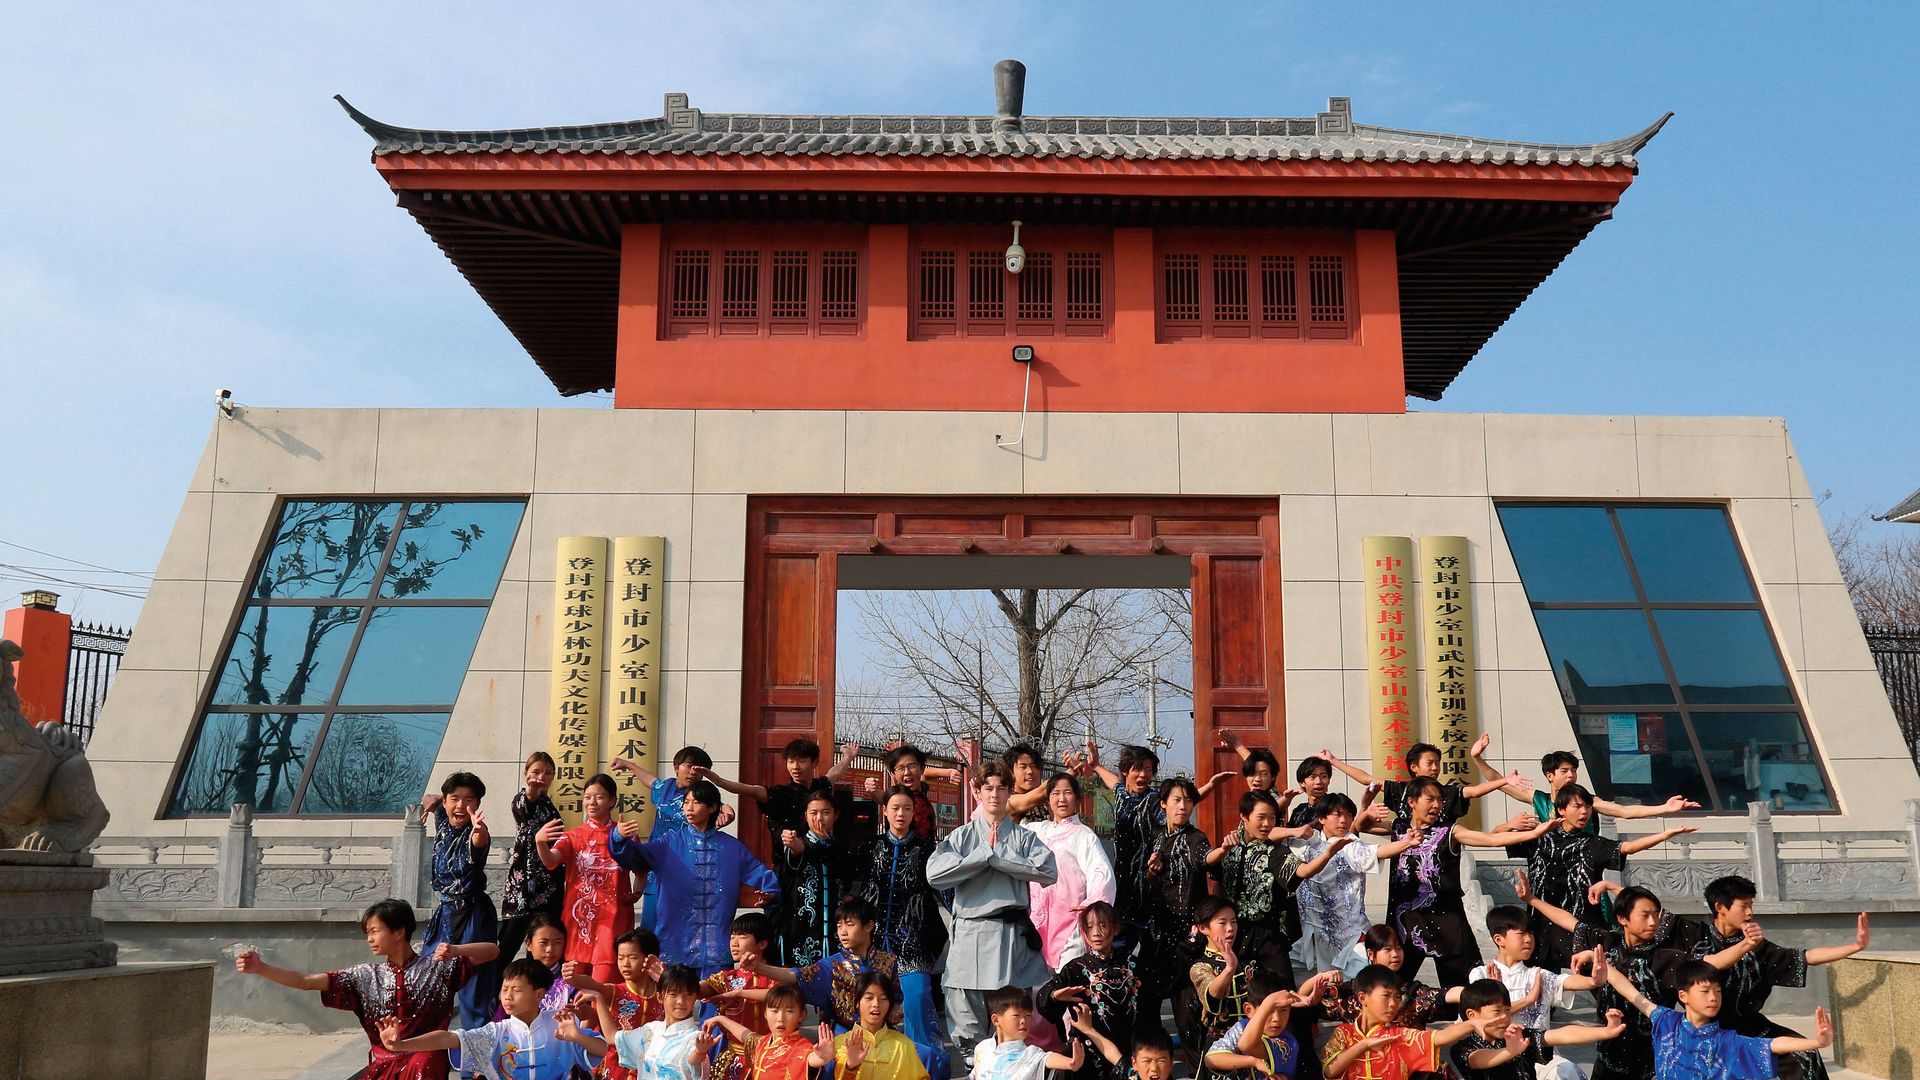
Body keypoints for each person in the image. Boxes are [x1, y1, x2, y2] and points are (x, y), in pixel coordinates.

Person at [234, 898, 499, 1080]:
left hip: (425, 1061)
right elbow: (306, 981)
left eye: (375, 931)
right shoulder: (364, 976)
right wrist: (261, 968)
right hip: (383, 1065)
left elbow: (492, 951)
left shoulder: (437, 969)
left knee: (424, 1061)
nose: (370, 939)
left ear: (398, 932)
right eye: (367, 933)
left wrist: (456, 950)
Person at [1521, 882, 1758, 1080]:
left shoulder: (1666, 958)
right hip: (1608, 1053)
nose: (1653, 922)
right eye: (1645, 916)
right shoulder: (1606, 943)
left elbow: (1712, 962)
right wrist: (1532, 899)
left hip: (1652, 1058)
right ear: (1622, 918)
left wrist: (1746, 944)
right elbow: (1569, 922)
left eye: (1656, 915)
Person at [927, 760, 1059, 1066]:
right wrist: (981, 855)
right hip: (969, 933)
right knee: (967, 1021)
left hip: (1008, 937)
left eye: (1001, 788)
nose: (994, 794)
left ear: (1010, 792)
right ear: (977, 792)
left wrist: (999, 856)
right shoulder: (962, 837)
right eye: (988, 788)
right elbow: (935, 874)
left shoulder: (1023, 838)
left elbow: (1048, 871)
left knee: (1011, 1021)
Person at [1683, 875, 1869, 1080]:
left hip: (1749, 1027)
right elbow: (1707, 964)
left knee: (1805, 1055)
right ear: (1720, 907)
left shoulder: (1759, 947)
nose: (1750, 912)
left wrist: (1855, 946)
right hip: (1704, 1028)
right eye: (1743, 906)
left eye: (1751, 905)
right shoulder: (1694, 938)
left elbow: (1805, 957)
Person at [1378, 777, 1555, 986]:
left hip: (1447, 920)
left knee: (1467, 987)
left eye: (1440, 800)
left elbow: (1491, 840)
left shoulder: (1450, 831)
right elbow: (1359, 827)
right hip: (1406, 920)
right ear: (1412, 802)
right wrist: (1365, 807)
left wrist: (1534, 833)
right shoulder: (1398, 828)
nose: (1437, 805)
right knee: (1390, 985)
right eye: (1430, 799)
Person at [697, 738, 857, 962]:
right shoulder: (781, 794)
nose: (795, 767)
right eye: (791, 761)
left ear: (814, 763)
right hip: (790, 872)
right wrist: (718, 780)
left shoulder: (821, 788)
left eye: (802, 760)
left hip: (823, 867)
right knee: (786, 929)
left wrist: (848, 757)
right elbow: (751, 790)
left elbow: (834, 773)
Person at [1510, 784, 1696, 971]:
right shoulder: (1539, 838)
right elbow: (1495, 840)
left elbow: (1628, 847)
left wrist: (1665, 834)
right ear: (1561, 810)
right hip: (1541, 927)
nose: (1584, 812)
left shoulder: (1593, 844)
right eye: (1577, 806)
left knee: (1596, 978)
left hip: (1582, 929)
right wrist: (1509, 826)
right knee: (1539, 981)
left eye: (1588, 807)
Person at [607, 778, 782, 977]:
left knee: (715, 995)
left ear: (713, 807)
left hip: (715, 947)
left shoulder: (731, 847)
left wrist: (770, 893)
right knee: (674, 995)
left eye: (696, 802)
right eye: (686, 802)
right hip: (674, 944)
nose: (688, 808)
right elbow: (636, 858)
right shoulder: (669, 843)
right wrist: (618, 838)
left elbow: (759, 873)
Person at [1088, 740, 1233, 956]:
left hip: (1148, 881)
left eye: (1148, 770)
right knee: (1117, 947)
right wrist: (1096, 766)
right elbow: (1113, 782)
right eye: (1138, 769)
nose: (1144, 775)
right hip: (1122, 883)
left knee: (1151, 948)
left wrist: (1209, 787)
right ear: (1126, 771)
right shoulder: (1121, 795)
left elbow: (1179, 802)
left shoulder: (1154, 800)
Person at [1601, 958, 1833, 1080]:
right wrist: (1601, 963)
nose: (1713, 998)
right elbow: (1631, 992)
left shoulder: (1727, 1041)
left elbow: (1773, 1044)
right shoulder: (1666, 1022)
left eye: (1718, 992)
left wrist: (1816, 1042)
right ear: (1683, 996)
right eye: (1705, 991)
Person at [375, 957, 599, 1080]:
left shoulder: (560, 1024)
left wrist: (577, 1037)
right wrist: (402, 1044)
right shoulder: (497, 1032)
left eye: (516, 990)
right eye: (505, 989)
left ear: (539, 994)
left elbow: (602, 1048)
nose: (507, 996)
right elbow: (449, 1038)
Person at [854, 786, 949, 1063]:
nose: (901, 814)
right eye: (895, 808)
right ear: (884, 811)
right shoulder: (869, 847)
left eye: (907, 808)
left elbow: (946, 888)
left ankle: (925, 1064)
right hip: (872, 943)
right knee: (868, 1003)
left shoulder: (927, 849)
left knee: (918, 997)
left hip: (913, 941)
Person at [613, 746, 737, 936]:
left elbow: (724, 808)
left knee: (680, 929)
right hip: (657, 868)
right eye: (689, 766)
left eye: (699, 769)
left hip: (686, 869)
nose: (693, 772)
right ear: (676, 767)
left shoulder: (701, 797)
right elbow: (650, 780)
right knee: (650, 928)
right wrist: (629, 765)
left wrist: (728, 813)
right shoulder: (665, 788)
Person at [1293, 793, 1418, 980]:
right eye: (1338, 814)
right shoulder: (1306, 843)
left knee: (1364, 983)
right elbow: (1268, 834)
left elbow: (1379, 851)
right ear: (1322, 818)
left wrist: (1406, 843)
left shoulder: (1351, 845)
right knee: (1289, 978)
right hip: (1313, 941)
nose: (1344, 820)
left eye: (1349, 815)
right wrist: (1295, 830)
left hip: (1350, 939)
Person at [1481, 905, 1610, 1080]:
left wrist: (1594, 981)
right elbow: (1484, 1020)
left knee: (1565, 1071)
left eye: (1531, 934)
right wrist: (1528, 999)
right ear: (1499, 939)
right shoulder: (1481, 975)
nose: (1528, 939)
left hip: (1539, 1057)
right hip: (1497, 1055)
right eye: (1521, 934)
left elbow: (1567, 982)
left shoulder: (1537, 975)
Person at [536, 772, 639, 984]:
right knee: (574, 987)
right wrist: (540, 842)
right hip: (579, 919)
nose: (592, 802)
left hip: (613, 919)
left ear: (612, 801)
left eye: (599, 797)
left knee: (603, 984)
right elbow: (551, 860)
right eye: (587, 797)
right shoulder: (573, 836)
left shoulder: (626, 835)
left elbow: (641, 870)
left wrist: (637, 892)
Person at [421, 770, 500, 1032]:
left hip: (472, 913)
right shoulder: (443, 820)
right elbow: (430, 798)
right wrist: (434, 801)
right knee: (427, 977)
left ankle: (477, 1053)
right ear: (445, 801)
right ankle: (429, 1047)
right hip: (444, 912)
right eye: (455, 799)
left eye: (469, 800)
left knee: (474, 989)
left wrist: (479, 829)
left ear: (477, 805)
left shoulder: (475, 832)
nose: (461, 806)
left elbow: (479, 841)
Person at [1320, 734, 1523, 827]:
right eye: (1429, 763)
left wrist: (1505, 780)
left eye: (1438, 763)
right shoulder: (1400, 790)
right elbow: (1367, 779)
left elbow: (1474, 791)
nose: (1435, 768)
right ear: (1414, 767)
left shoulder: (1447, 792)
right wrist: (1333, 761)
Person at [1037, 902, 1142, 1080]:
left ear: (1115, 929)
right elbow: (1044, 1001)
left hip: (1126, 1048)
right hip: (1087, 1051)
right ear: (1084, 932)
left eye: (1102, 926)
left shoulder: (1132, 965)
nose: (1096, 933)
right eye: (1090, 927)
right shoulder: (1075, 968)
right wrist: (1055, 996)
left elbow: (1149, 1004)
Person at [1447, 977, 1626, 1080]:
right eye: (1497, 1011)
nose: (1505, 1017)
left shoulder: (1519, 1037)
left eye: (1508, 1010)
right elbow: (1479, 1059)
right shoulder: (1462, 1048)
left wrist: (1605, 1031)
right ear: (1472, 1015)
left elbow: (1561, 1035)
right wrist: (1510, 1052)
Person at [1320, 963, 1476, 1080]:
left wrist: (1472, 1024)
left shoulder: (1397, 1036)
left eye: (1397, 997)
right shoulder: (1344, 1033)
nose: (1393, 1003)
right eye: (1386, 996)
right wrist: (1364, 1044)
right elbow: (1330, 1071)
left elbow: (1440, 1037)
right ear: (1362, 998)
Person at [1025, 772, 1116, 968]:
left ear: (1077, 799)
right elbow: (1006, 825)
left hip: (1069, 920)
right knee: (1038, 981)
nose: (1061, 799)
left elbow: (1100, 871)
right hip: (1037, 919)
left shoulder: (1084, 836)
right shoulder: (1036, 830)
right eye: (1056, 793)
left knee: (1069, 976)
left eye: (1067, 793)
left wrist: (1092, 902)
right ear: (1048, 799)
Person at [561, 927, 664, 1080]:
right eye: (621, 958)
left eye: (632, 957)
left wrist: (666, 978)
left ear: (650, 959)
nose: (625, 964)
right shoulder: (613, 991)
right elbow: (594, 985)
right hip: (613, 1072)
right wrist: (572, 978)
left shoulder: (664, 995)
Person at [498, 753, 566, 977]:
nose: (541, 777)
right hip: (524, 889)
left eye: (547, 773)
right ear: (526, 773)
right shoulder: (523, 800)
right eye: (536, 772)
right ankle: (495, 992)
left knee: (542, 947)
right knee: (506, 947)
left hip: (548, 888)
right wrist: (531, 791)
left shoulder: (549, 804)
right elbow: (525, 805)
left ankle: (538, 990)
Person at [1322, 923, 1464, 1030]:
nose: (1395, 954)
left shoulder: (1412, 992)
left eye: (1398, 948)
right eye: (1387, 949)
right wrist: (1320, 979)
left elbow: (1445, 995)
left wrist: (1470, 994)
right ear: (1371, 954)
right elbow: (1311, 1003)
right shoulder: (1350, 992)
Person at [580, 963, 708, 1080]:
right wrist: (598, 999)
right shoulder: (651, 1030)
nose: (681, 1001)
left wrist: (699, 1052)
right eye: (673, 994)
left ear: (695, 998)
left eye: (688, 995)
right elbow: (612, 1037)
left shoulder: (695, 1037)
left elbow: (695, 1065)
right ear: (660, 997)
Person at [779, 790, 856, 967]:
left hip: (836, 927)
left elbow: (847, 879)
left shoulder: (840, 848)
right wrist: (793, 845)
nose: (819, 818)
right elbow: (798, 853)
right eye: (813, 813)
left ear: (835, 815)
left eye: (825, 812)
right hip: (803, 928)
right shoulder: (799, 843)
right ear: (805, 815)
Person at [805, 972, 931, 1080]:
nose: (876, 1004)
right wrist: (850, 1066)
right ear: (857, 1003)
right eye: (869, 998)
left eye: (883, 998)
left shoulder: (904, 1045)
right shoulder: (840, 1044)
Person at [699, 984, 822, 1080]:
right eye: (774, 1011)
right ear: (765, 1014)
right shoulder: (764, 1042)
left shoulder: (800, 1047)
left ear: (801, 1015)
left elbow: (811, 1059)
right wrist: (721, 1019)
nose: (780, 1018)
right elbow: (747, 1036)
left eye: (789, 1011)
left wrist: (822, 1057)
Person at [969, 985, 1087, 1080]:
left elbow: (1046, 1058)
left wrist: (1071, 1063)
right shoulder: (982, 1048)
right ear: (996, 1020)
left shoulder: (1029, 1054)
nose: (1023, 1021)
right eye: (1016, 1015)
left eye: (1028, 1016)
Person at [701, 913, 779, 1039]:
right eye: (732, 937)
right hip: (736, 1050)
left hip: (773, 1048)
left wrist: (738, 993)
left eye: (742, 937)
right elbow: (701, 989)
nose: (734, 943)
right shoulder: (728, 977)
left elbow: (779, 994)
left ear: (762, 944)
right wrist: (681, 980)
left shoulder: (780, 974)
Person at [1202, 989, 1310, 1080]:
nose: (1276, 1019)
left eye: (1283, 1010)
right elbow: (1211, 1059)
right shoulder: (1243, 1026)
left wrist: (1268, 1003)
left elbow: (1246, 1045)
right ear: (1249, 1010)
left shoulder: (1287, 1043)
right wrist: (1254, 1061)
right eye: (1268, 1010)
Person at [494, 914, 575, 1021]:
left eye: (557, 943)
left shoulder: (571, 983)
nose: (550, 949)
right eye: (543, 943)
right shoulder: (516, 976)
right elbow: (501, 1020)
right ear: (529, 944)